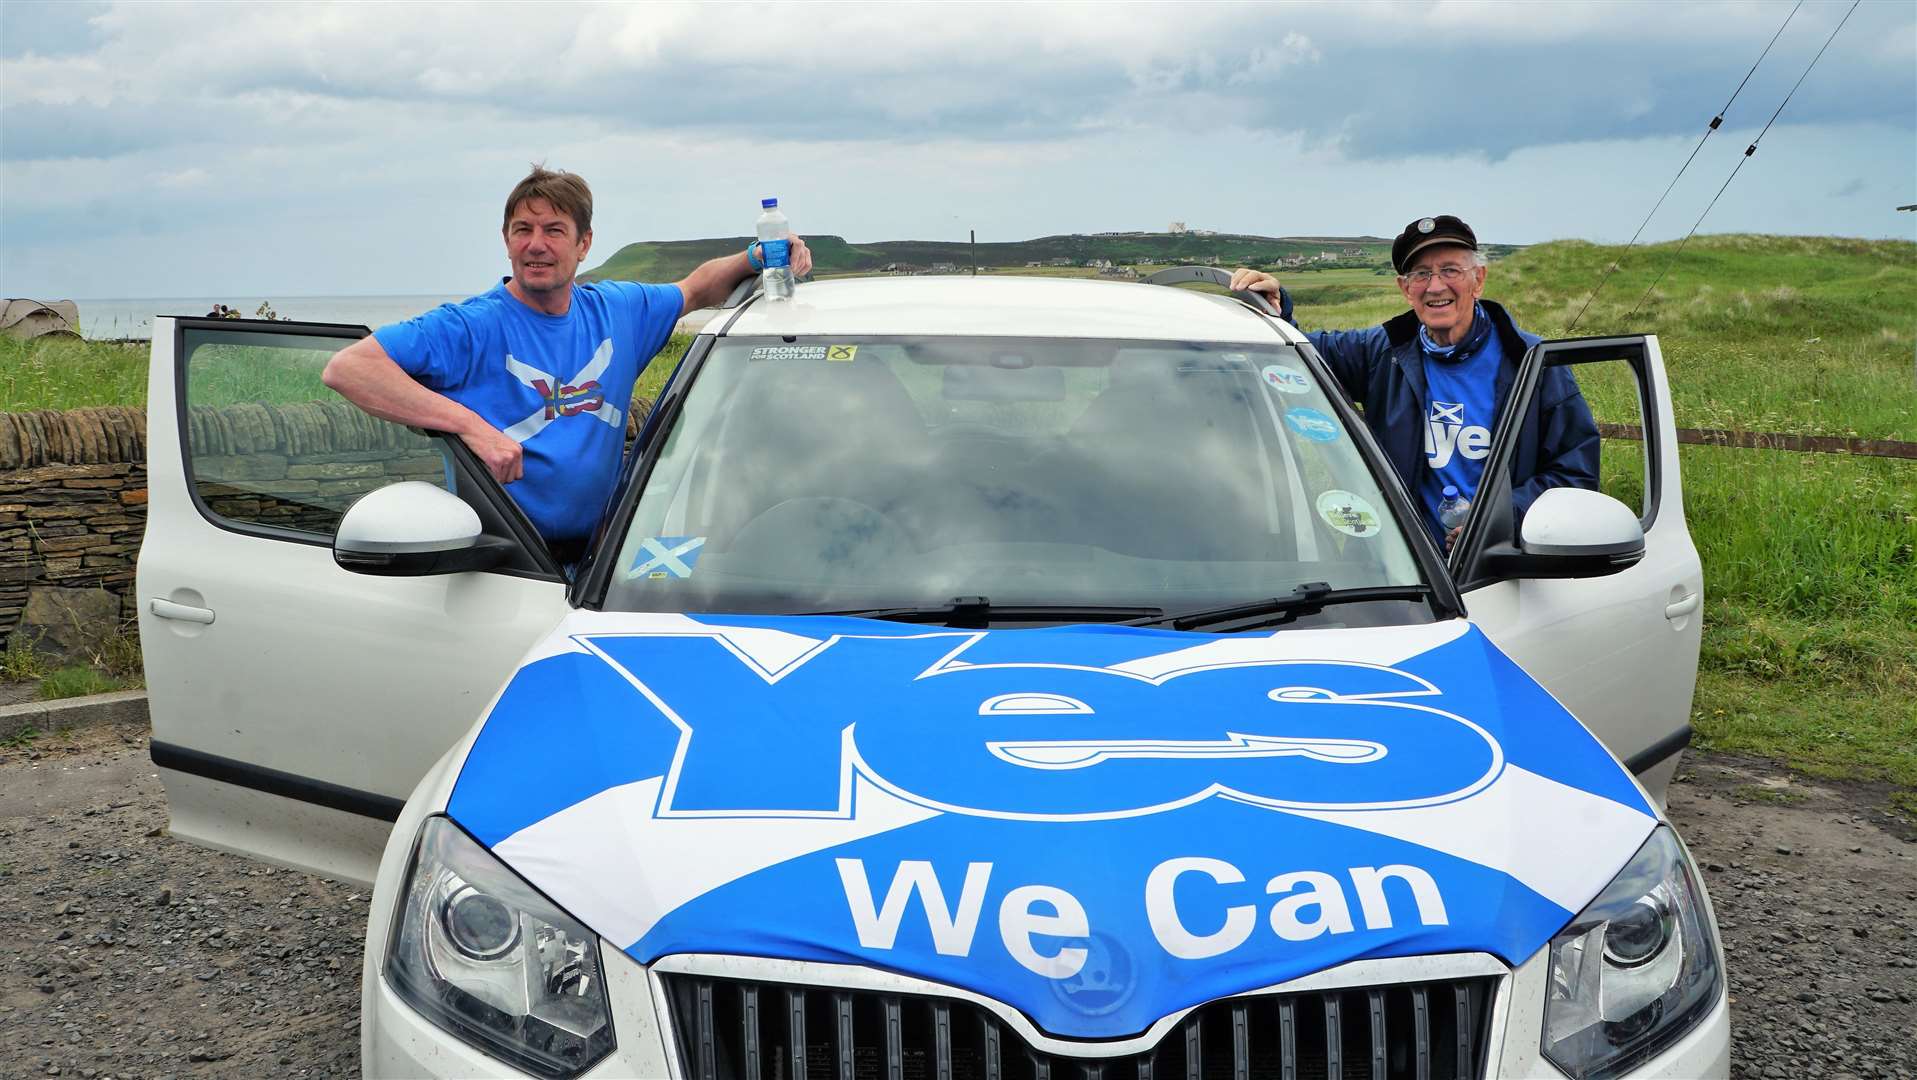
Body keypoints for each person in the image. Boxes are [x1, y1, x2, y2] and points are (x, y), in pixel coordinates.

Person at [322, 165, 811, 563]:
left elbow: (696, 288)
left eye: (554, 230)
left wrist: (757, 256)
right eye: (523, 230)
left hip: (607, 563)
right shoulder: (469, 327)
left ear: (584, 244)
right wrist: (471, 427)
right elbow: (349, 368)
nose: (536, 244)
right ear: (506, 239)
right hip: (508, 568)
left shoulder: (617, 310)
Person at [1230, 214, 1597, 550]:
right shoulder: (1382, 352)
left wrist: (1499, 519)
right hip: (1406, 576)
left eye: (1450, 270)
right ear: (1405, 288)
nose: (1435, 286)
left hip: (1501, 568)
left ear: (1478, 279)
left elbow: (1575, 472)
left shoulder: (1531, 361)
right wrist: (1278, 308)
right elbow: (1304, 357)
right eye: (1421, 274)